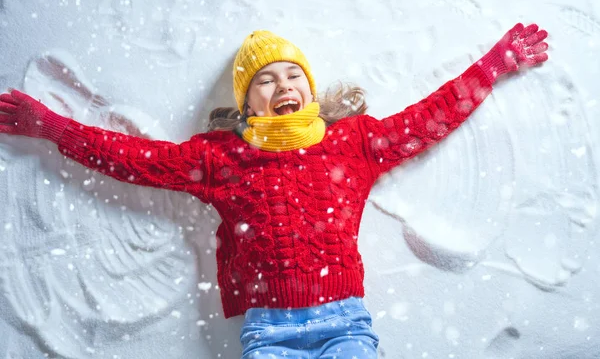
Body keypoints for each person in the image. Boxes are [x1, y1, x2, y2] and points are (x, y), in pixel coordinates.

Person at [0, 24, 548, 358]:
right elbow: (134, 159)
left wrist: (495, 64)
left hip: (346, 325)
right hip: (269, 336)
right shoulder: (220, 158)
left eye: (293, 75)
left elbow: (430, 117)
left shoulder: (351, 143)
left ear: (309, 88)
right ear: (247, 103)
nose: (283, 85)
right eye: (266, 79)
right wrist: (52, 127)